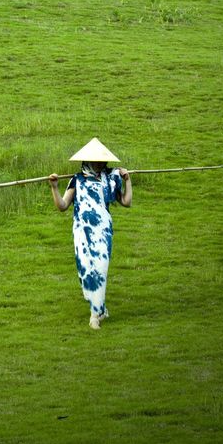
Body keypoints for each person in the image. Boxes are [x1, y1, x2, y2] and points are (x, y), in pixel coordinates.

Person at [48, 137, 132, 329]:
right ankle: (99, 308)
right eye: (97, 161)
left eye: (102, 161)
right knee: (86, 271)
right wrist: (54, 187)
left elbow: (126, 202)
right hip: (82, 231)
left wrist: (127, 181)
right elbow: (62, 206)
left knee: (100, 268)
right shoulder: (76, 181)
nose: (101, 164)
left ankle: (95, 315)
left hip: (103, 231)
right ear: (87, 161)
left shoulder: (111, 179)